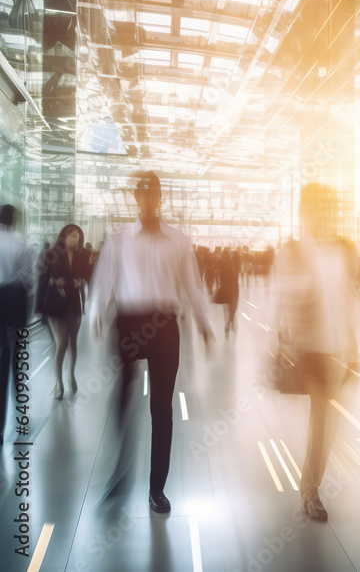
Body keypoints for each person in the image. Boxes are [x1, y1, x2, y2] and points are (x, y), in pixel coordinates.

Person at [89, 172, 215, 513]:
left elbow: (192, 284)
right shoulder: (119, 240)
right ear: (135, 197)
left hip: (163, 324)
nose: (147, 198)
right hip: (129, 321)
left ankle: (156, 487)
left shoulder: (178, 240)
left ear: (160, 197)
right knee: (123, 396)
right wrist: (97, 314)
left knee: (161, 408)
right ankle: (120, 468)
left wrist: (205, 323)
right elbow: (103, 280)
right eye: (142, 192)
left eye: (153, 192)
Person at [270, 183, 360, 521]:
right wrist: (281, 340)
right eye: (317, 209)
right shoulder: (293, 250)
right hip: (309, 350)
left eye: (329, 209)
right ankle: (311, 490)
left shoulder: (344, 250)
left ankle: (311, 486)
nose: (324, 215)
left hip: (337, 348)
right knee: (321, 419)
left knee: (327, 422)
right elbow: (279, 298)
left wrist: (354, 350)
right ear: (305, 214)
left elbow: (349, 300)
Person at [36, 224, 88, 399]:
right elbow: (42, 281)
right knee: (62, 344)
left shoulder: (81, 255)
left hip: (74, 304)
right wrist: (38, 307)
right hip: (56, 305)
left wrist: (80, 282)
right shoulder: (51, 255)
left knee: (73, 342)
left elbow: (85, 277)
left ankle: (71, 375)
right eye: (72, 236)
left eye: (78, 237)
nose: (76, 240)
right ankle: (59, 383)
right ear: (63, 237)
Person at [0, 205, 36, 445]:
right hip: (14, 307)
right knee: (17, 362)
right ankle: (20, 413)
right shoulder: (22, 245)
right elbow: (29, 281)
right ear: (15, 220)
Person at [213, 247, 240, 337]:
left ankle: (227, 322)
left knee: (225, 308)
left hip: (224, 288)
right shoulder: (232, 263)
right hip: (233, 287)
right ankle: (231, 320)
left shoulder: (220, 262)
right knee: (233, 306)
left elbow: (215, 270)